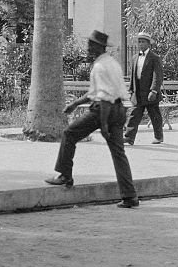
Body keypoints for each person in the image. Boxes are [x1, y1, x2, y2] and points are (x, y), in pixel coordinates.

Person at [45, 30, 139, 208]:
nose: (88, 48)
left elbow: (102, 97)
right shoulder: (112, 63)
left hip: (103, 110)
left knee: (69, 134)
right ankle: (130, 196)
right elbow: (96, 92)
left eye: (91, 45)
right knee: (119, 153)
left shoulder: (99, 66)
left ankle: (65, 175)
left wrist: (103, 125)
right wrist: (75, 104)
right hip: (119, 109)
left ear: (99, 47)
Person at [124, 32, 164, 145]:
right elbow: (133, 75)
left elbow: (158, 75)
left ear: (149, 44)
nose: (140, 44)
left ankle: (158, 136)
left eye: (143, 42)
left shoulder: (155, 58)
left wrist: (154, 90)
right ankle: (129, 138)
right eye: (139, 42)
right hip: (138, 93)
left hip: (150, 92)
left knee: (155, 115)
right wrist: (131, 90)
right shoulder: (134, 58)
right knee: (134, 115)